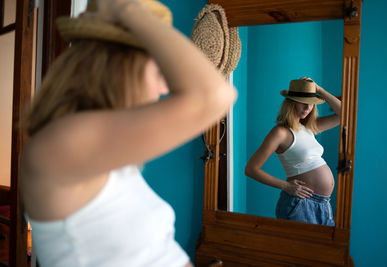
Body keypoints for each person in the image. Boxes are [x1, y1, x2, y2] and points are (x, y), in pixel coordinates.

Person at [20, 0, 237, 266]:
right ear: (122, 68)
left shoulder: (98, 148)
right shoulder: (62, 144)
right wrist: (127, 9)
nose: (163, 88)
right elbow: (214, 95)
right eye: (159, 71)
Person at [244, 77, 340, 226]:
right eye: (303, 103)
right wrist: (286, 186)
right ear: (291, 102)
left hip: (323, 204)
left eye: (312, 104)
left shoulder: (310, 127)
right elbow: (251, 169)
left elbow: (346, 114)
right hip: (301, 204)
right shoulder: (280, 132)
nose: (308, 108)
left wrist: (319, 90)